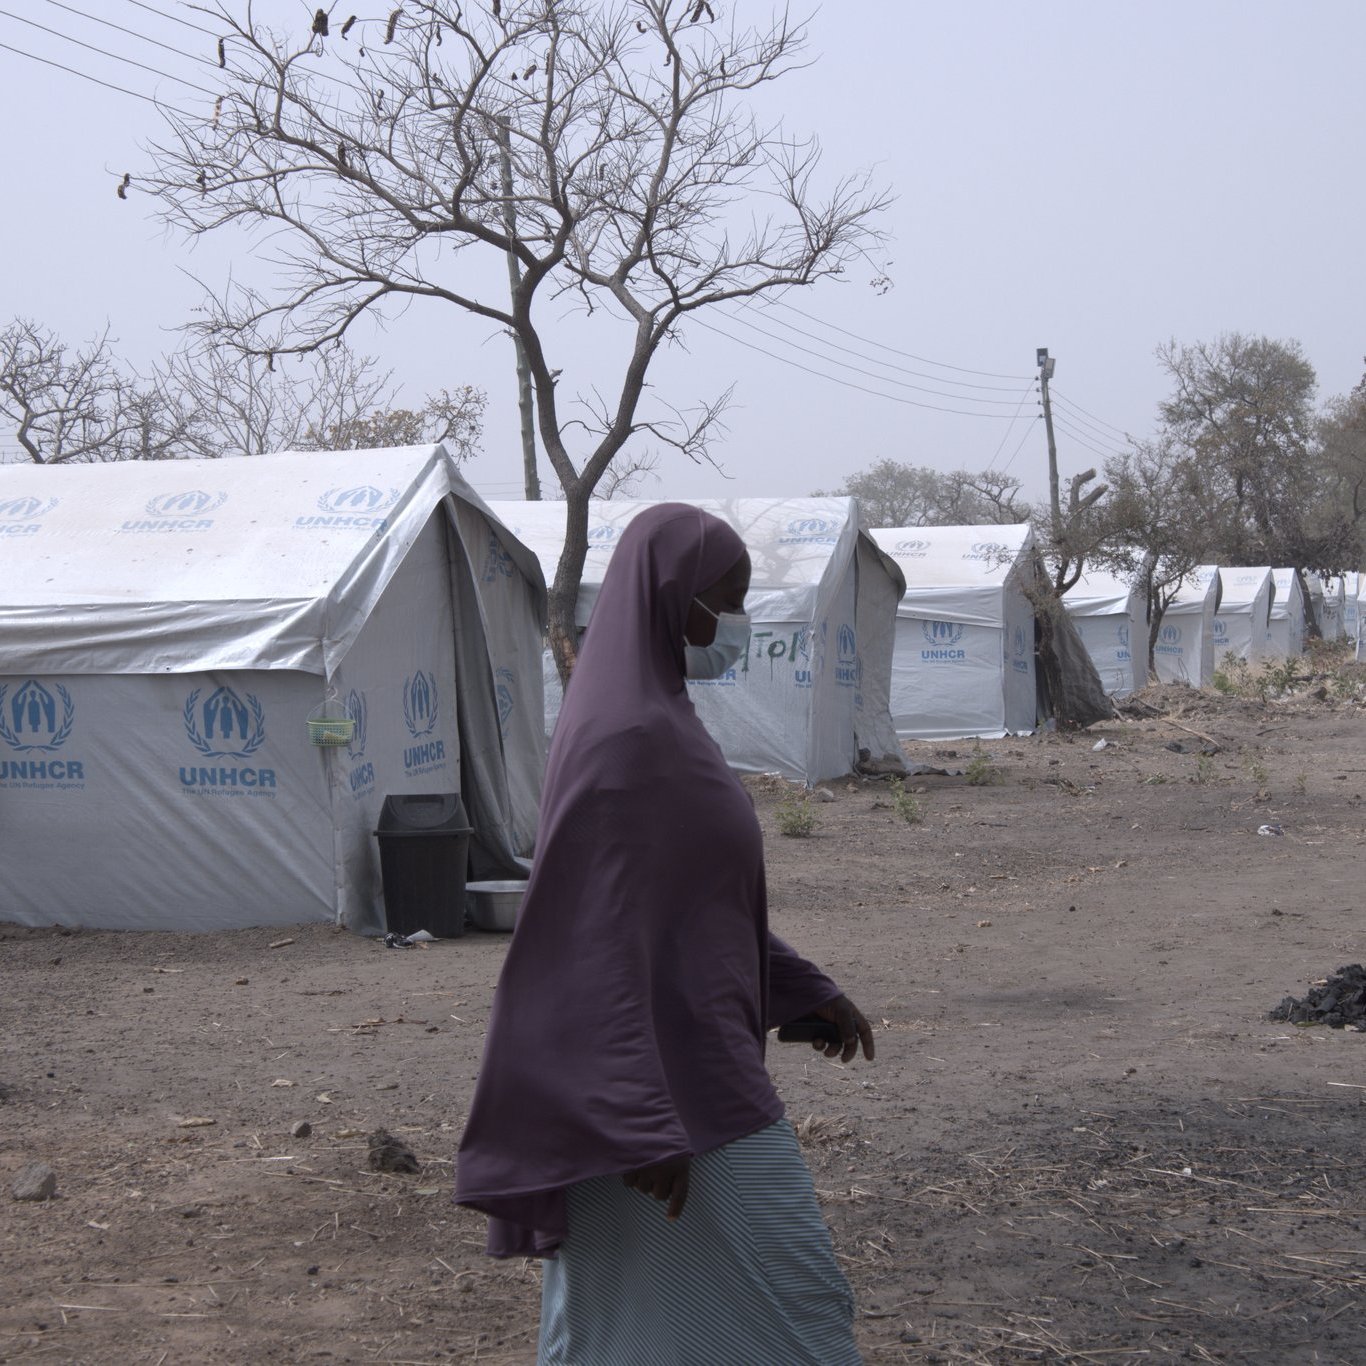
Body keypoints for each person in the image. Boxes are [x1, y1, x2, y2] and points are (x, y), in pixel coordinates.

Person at [456, 503, 875, 1364]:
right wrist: (638, 1118)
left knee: (630, 1317)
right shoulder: (628, 737)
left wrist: (804, 991)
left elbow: (689, 904)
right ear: (670, 596)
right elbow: (590, 939)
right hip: (667, 1099)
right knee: (795, 1297)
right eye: (727, 598)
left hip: (692, 1063)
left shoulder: (662, 720)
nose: (736, 624)